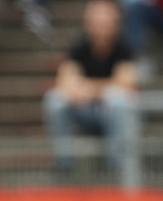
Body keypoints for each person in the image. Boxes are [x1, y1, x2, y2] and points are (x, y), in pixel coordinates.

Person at [43, 0, 137, 173]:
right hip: (83, 109)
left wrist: (89, 89)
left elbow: (126, 84)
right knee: (55, 101)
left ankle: (116, 167)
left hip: (111, 113)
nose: (101, 25)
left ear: (116, 22)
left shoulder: (125, 49)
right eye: (97, 20)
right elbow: (65, 82)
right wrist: (94, 90)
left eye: (106, 20)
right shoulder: (78, 48)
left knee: (119, 101)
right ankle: (64, 164)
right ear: (88, 23)